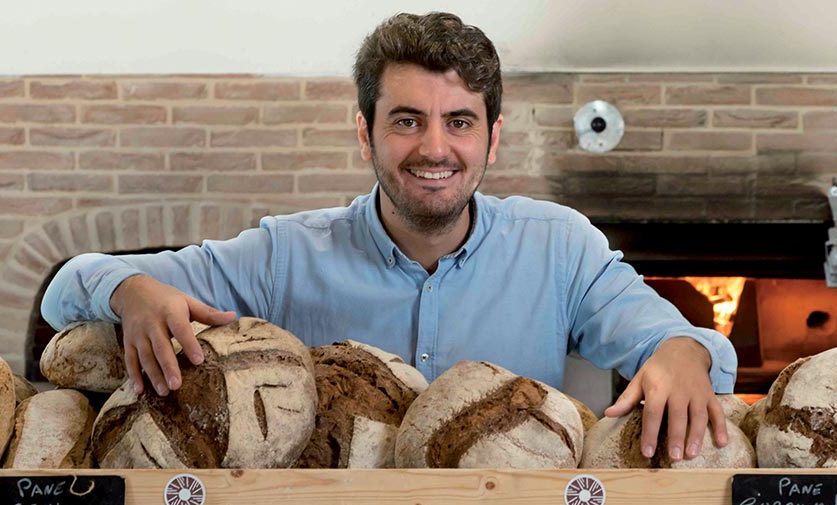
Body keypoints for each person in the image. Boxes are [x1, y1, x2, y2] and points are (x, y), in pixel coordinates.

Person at [42, 12, 736, 462]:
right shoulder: (286, 255)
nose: (435, 148)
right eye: (406, 120)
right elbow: (69, 288)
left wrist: (683, 351)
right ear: (364, 131)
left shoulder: (559, 247)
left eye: (459, 122)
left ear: (492, 138)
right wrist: (130, 287)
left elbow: (673, 344)